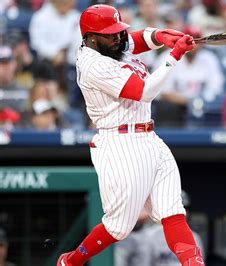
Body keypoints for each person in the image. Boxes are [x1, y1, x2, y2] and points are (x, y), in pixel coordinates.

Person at [57, 4, 204, 266]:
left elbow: (134, 40)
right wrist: (174, 56)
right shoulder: (93, 64)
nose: (117, 37)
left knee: (173, 212)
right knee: (118, 227)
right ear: (90, 36)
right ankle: (70, 262)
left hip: (149, 136)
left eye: (117, 31)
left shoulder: (110, 46)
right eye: (109, 33)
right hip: (119, 142)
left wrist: (159, 35)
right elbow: (144, 91)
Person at [153, 26, 224, 127]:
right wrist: (189, 101)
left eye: (197, 40)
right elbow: (163, 92)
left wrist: (200, 100)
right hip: (175, 106)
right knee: (166, 106)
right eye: (190, 40)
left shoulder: (209, 59)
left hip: (202, 104)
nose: (193, 44)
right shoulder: (167, 57)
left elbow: (216, 87)